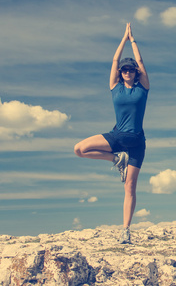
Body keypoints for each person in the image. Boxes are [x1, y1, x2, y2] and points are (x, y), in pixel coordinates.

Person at [74, 23, 150, 244]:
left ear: (136, 73)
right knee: (79, 149)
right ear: (121, 73)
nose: (127, 72)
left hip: (136, 143)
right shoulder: (115, 87)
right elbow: (114, 61)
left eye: (131, 69)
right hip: (117, 137)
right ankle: (116, 158)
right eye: (125, 70)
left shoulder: (142, 88)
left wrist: (133, 40)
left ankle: (125, 230)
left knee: (130, 188)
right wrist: (122, 40)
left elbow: (142, 63)